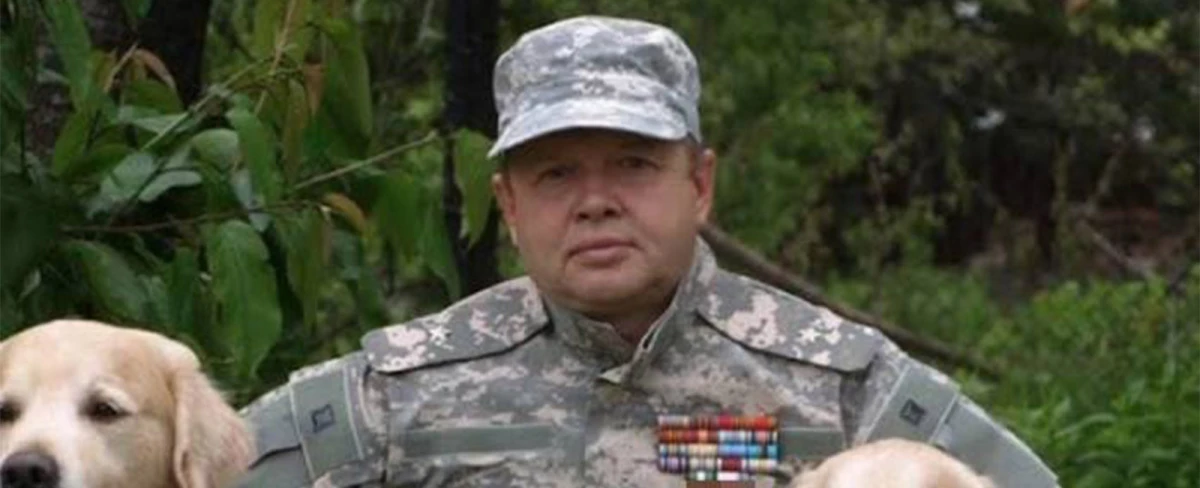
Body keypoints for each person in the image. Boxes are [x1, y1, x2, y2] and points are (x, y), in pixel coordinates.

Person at [236, 16, 1057, 488]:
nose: (595, 200)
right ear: (510, 206)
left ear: (699, 184)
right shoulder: (402, 389)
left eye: (632, 164)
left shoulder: (842, 386)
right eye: (557, 173)